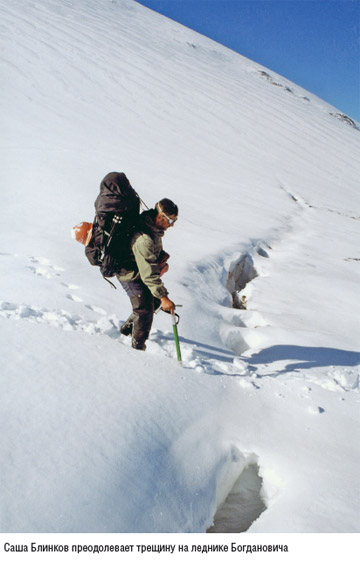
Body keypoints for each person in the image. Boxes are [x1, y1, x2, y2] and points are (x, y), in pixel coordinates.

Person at [116, 198, 178, 350]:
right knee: (144, 310)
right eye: (170, 220)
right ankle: (137, 349)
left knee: (153, 302)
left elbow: (149, 262)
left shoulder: (153, 230)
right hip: (129, 274)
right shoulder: (145, 239)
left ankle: (127, 329)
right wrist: (164, 297)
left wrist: (160, 263)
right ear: (160, 217)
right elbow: (148, 275)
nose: (172, 225)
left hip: (139, 271)